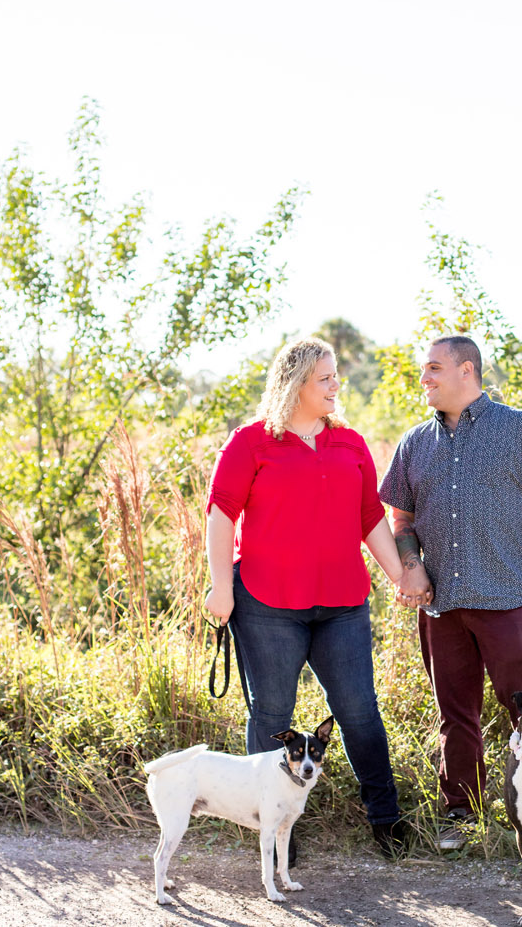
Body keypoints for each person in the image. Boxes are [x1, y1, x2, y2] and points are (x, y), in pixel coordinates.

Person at [204, 337, 411, 861]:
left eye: (336, 375)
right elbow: (222, 514)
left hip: (341, 603)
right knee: (273, 714)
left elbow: (370, 520)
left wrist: (402, 577)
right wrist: (221, 588)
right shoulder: (251, 442)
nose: (336, 385)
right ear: (296, 384)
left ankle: (385, 819)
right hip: (268, 605)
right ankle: (275, 835)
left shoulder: (351, 444)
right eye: (326, 378)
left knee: (359, 711)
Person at [379, 334, 522, 852]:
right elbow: (401, 516)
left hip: (509, 602)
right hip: (441, 608)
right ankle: (461, 815)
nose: (425, 378)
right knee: (455, 714)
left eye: (434, 368)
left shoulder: (520, 428)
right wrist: (411, 564)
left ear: (467, 370)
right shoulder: (414, 443)